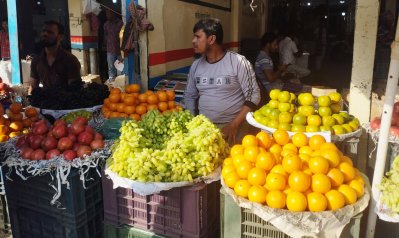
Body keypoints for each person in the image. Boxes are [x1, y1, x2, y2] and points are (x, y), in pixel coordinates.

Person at [184, 19, 261, 145]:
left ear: (211, 39)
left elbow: (254, 95)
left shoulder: (238, 62)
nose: (193, 41)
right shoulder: (196, 66)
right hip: (205, 128)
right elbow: (190, 96)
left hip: (236, 125)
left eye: (197, 36)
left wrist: (234, 125)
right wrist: (193, 125)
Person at [30, 21, 82, 92]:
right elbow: (33, 87)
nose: (45, 34)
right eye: (43, 31)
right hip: (44, 101)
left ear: (60, 37)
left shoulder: (70, 60)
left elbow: (75, 91)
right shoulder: (37, 60)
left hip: (65, 101)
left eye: (50, 32)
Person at [104, 9, 123, 83]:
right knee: (111, 68)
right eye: (106, 14)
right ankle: (111, 84)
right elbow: (105, 36)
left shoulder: (120, 23)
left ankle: (120, 84)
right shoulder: (106, 24)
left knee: (120, 69)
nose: (107, 15)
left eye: (109, 14)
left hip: (119, 51)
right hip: (110, 50)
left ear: (113, 13)